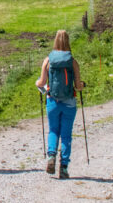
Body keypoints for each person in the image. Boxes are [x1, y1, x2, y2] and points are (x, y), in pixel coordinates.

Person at [36, 29, 85, 179]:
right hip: (69, 102)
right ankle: (63, 167)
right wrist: (82, 84)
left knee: (53, 130)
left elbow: (42, 83)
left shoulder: (48, 60)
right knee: (66, 134)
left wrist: (38, 83)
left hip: (52, 101)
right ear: (68, 41)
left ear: (55, 41)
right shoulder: (72, 61)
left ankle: (51, 156)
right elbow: (77, 86)